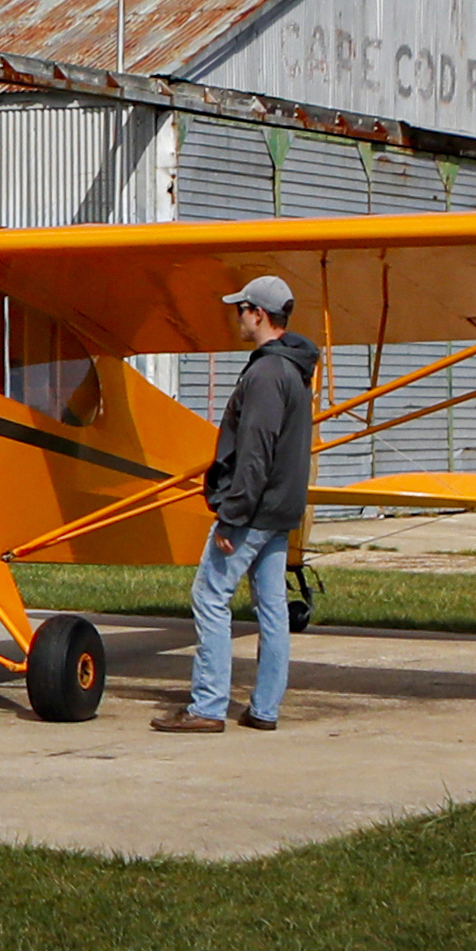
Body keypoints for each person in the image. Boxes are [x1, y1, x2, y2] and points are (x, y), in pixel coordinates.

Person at [166, 273, 320, 734]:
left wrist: (231, 518)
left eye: (242, 309)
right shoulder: (292, 368)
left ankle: (208, 707)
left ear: (259, 314)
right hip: (279, 512)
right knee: (272, 608)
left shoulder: (267, 373)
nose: (237, 316)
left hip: (252, 512)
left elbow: (255, 452)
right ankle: (264, 709)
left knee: (209, 595)